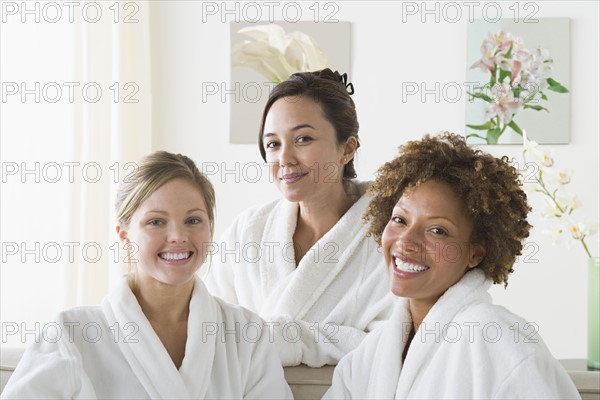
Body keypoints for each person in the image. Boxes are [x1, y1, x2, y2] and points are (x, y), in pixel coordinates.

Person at [1, 151, 292, 399]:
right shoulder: (69, 334)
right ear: (125, 235)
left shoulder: (245, 334)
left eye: (193, 220)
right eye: (156, 222)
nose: (178, 236)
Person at [324, 133, 580, 399]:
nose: (406, 242)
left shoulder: (498, 340)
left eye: (437, 230)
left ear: (476, 253)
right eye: (400, 220)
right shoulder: (369, 357)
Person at [204, 69, 393, 367]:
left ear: (347, 148)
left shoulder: (390, 234)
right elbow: (209, 332)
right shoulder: (247, 233)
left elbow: (396, 344)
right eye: (273, 144)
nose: (285, 159)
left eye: (303, 139)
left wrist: (285, 339)